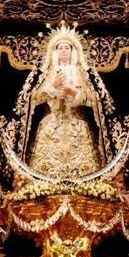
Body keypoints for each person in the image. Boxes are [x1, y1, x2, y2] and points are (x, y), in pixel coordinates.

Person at [26, 31, 103, 179]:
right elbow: (34, 98)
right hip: (52, 124)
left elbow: (95, 99)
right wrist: (52, 87)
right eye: (60, 48)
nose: (63, 51)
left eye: (67, 48)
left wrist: (74, 92)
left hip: (77, 123)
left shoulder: (82, 73)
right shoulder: (47, 74)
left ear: (73, 51)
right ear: (55, 51)